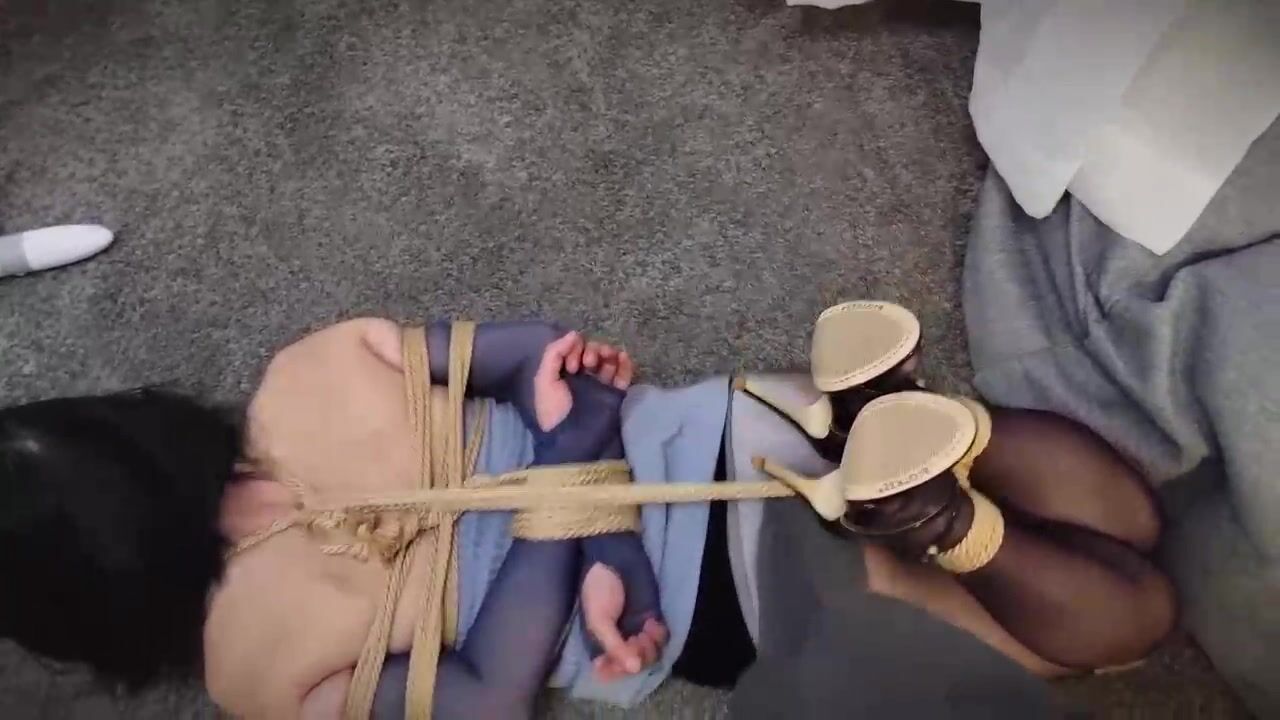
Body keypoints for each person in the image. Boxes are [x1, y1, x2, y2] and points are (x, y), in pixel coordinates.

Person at [0, 304, 1176, 719]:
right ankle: (882, 425)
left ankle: (930, 513)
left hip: (704, 591)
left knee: (1124, 605)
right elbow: (537, 360)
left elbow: (489, 694)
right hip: (712, 462)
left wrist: (590, 516)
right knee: (1123, 537)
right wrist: (575, 465)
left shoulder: (248, 668)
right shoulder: (306, 374)